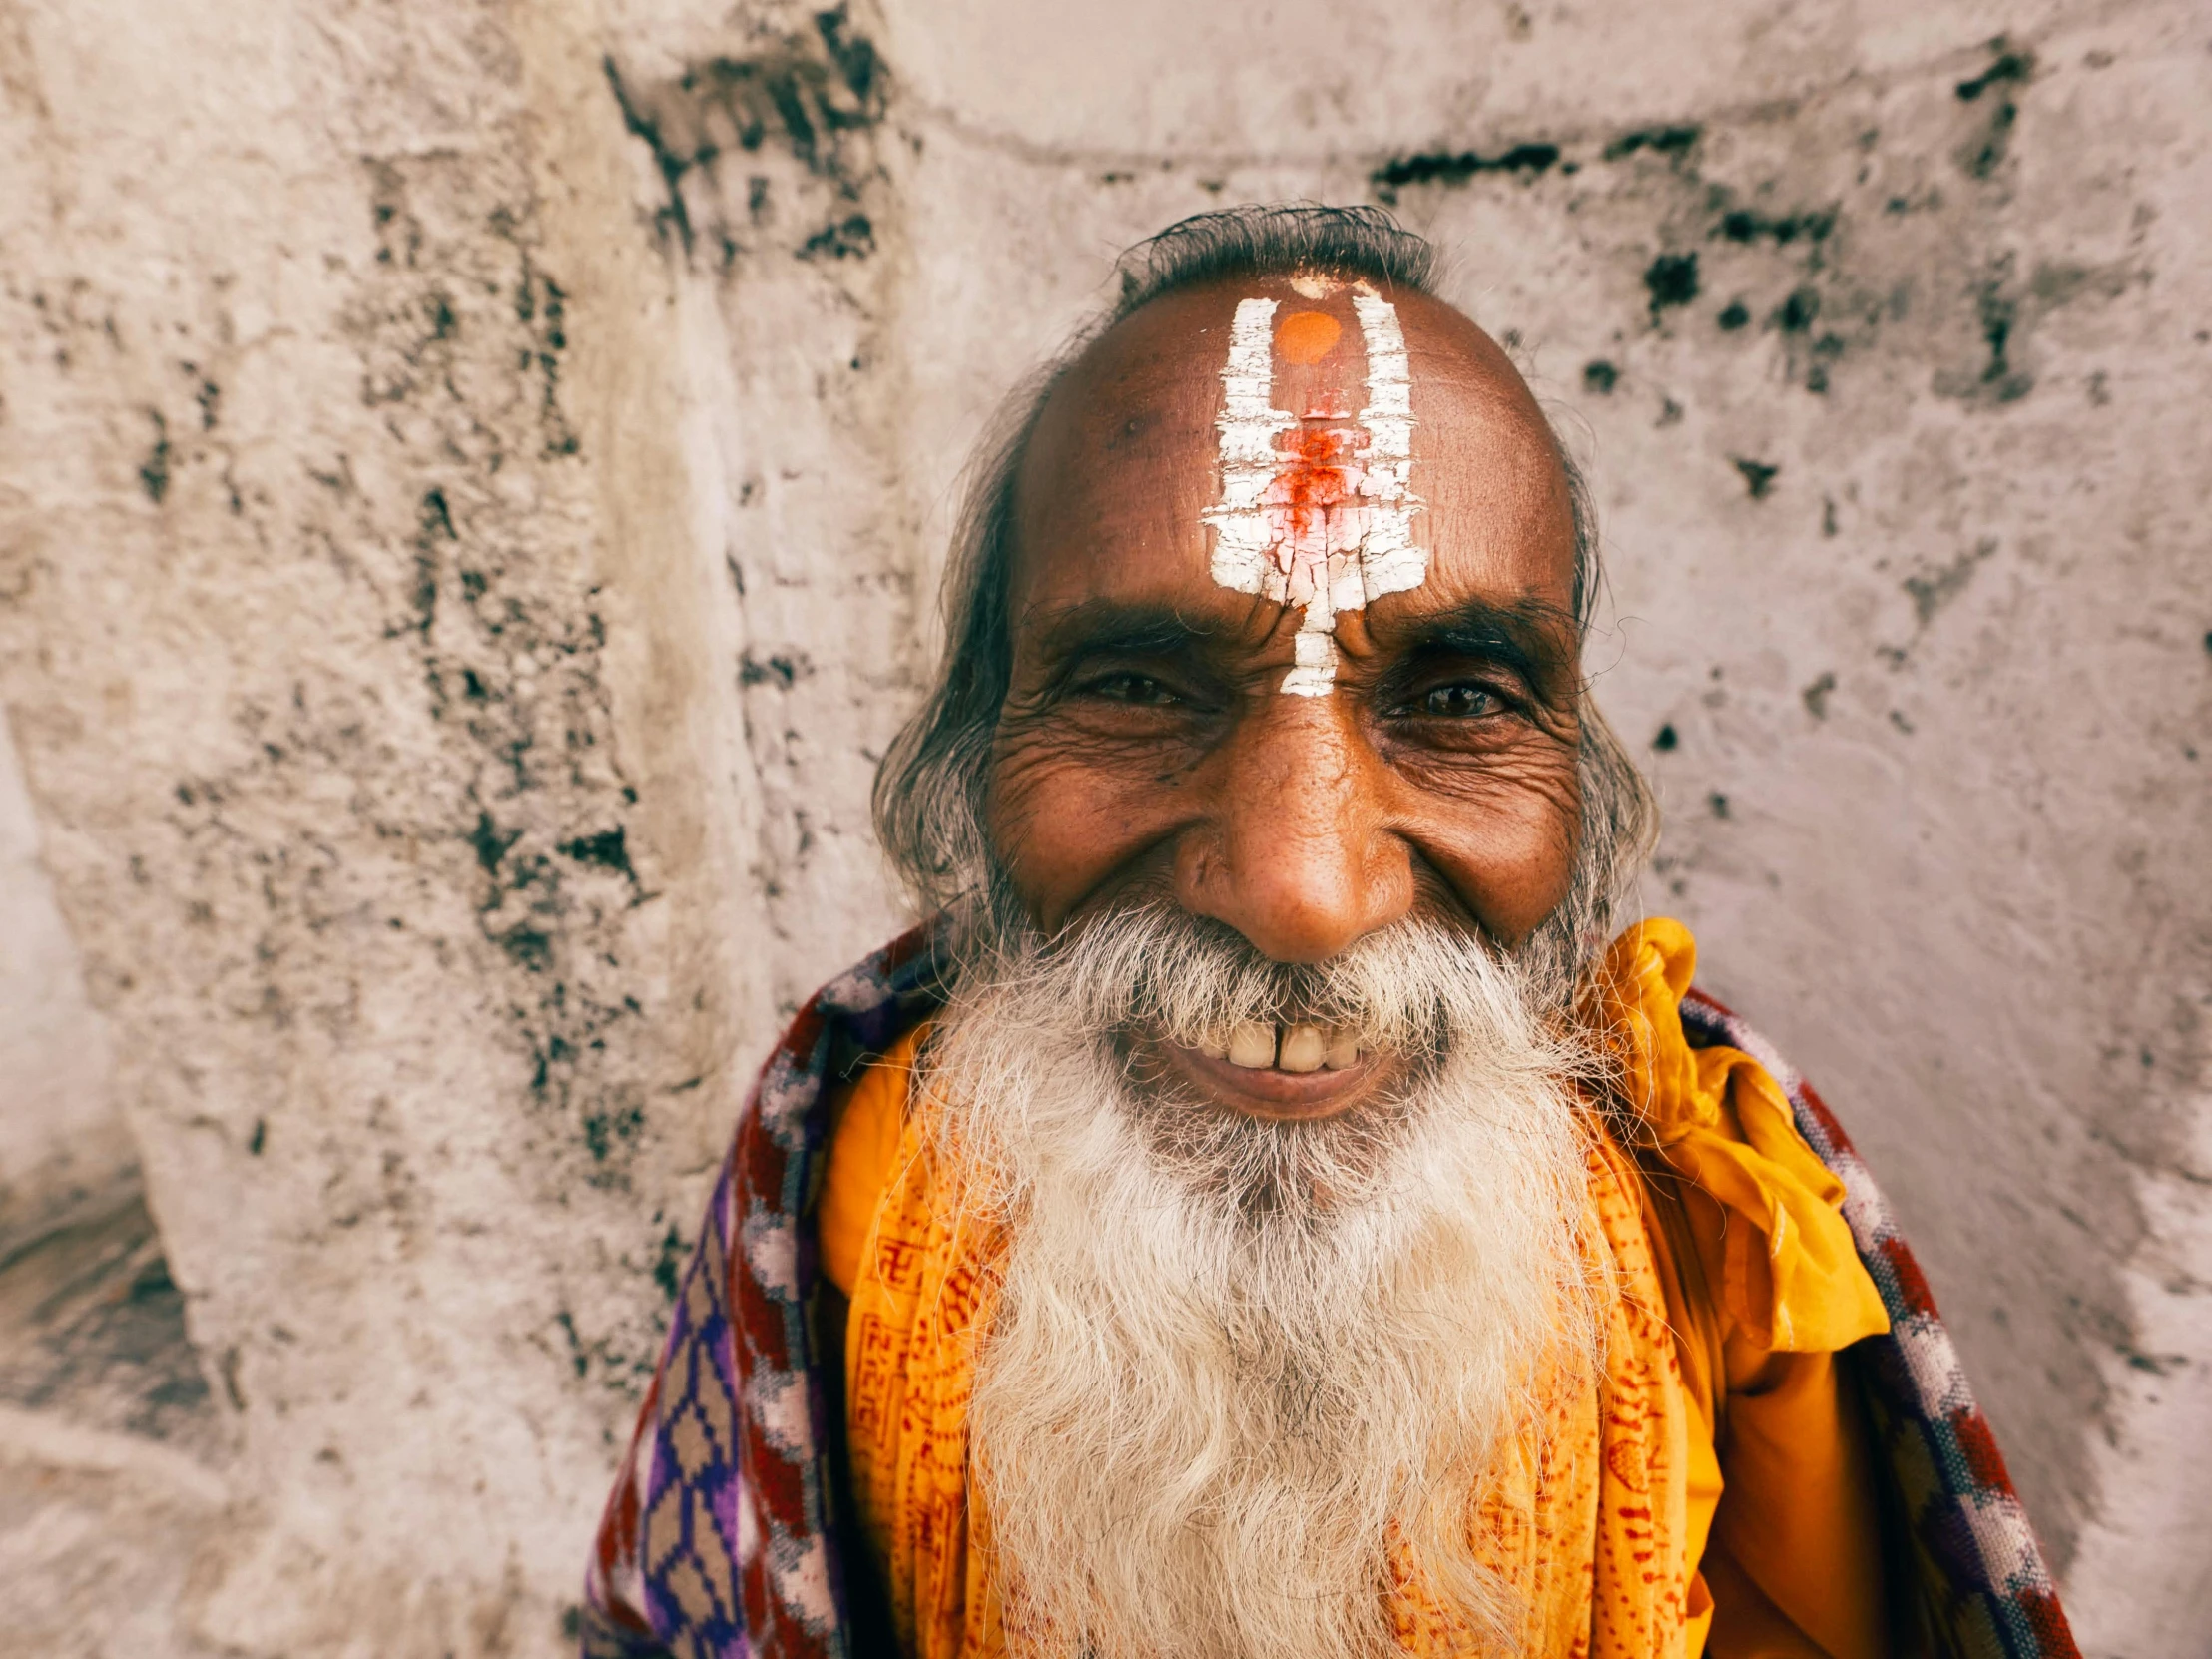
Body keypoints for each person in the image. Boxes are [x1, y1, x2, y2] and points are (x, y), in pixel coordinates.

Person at [581, 207, 2077, 1659]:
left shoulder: (1723, 1231)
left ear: (1584, 792)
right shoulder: (843, 1188)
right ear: (971, 772)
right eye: (1140, 688)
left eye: (1458, 700)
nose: (1303, 887)